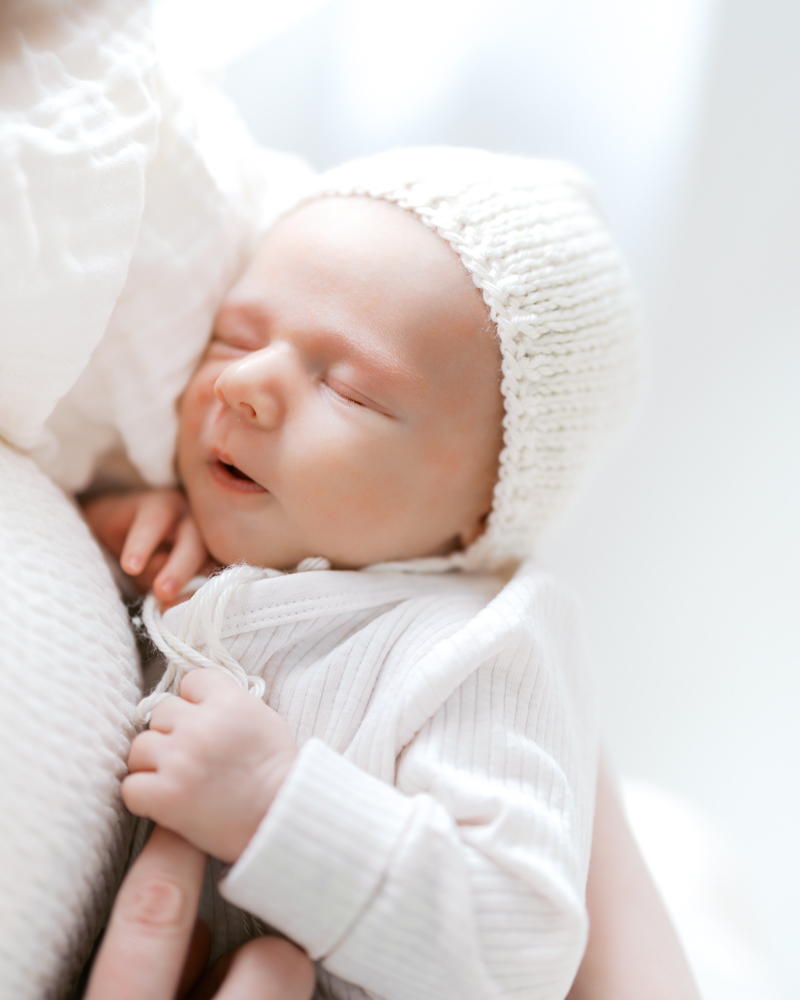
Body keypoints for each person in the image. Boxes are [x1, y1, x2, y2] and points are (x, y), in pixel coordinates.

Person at [83, 147, 657, 1000]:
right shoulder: (187, 549)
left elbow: (519, 945)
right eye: (233, 339)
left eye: (349, 391)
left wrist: (276, 802)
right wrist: (106, 529)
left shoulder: (478, 641)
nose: (243, 382)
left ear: (484, 506)